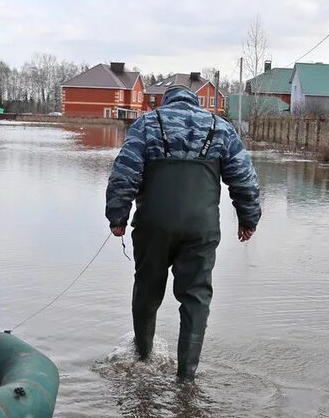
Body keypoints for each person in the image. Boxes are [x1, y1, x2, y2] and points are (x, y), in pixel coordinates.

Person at [105, 85, 261, 381]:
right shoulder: (219, 127)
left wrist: (118, 215)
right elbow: (244, 178)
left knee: (147, 289)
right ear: (196, 101)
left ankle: (142, 357)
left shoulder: (148, 124)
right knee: (195, 297)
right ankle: (186, 377)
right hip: (200, 228)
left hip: (153, 225)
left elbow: (125, 172)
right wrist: (248, 219)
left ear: (166, 102)